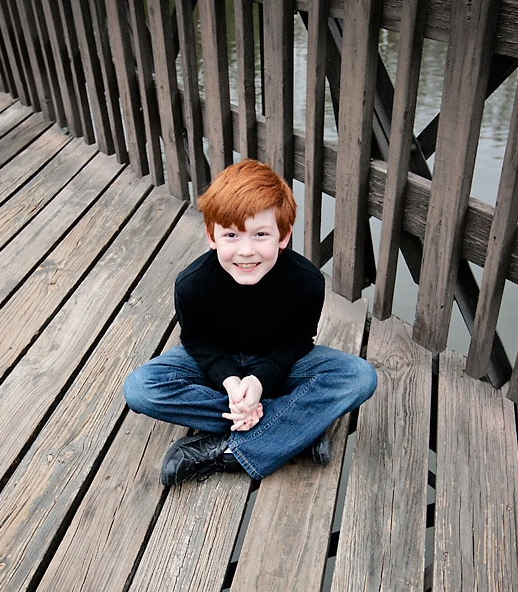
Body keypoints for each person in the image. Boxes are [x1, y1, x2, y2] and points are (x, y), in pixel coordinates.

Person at [124, 159, 377, 486]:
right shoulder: (191, 284)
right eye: (231, 234)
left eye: (260, 234)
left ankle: (230, 448)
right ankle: (295, 424)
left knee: (359, 376)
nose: (246, 251)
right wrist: (231, 382)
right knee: (141, 388)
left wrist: (258, 383)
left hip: (276, 364)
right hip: (216, 365)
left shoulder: (307, 282)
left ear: (283, 236)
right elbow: (199, 343)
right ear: (211, 235)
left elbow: (297, 342)